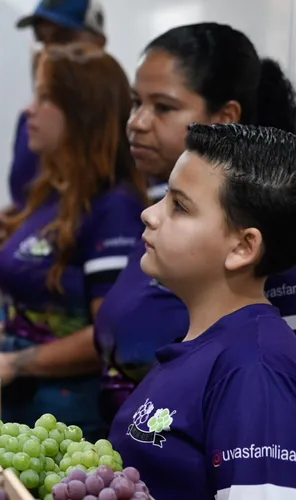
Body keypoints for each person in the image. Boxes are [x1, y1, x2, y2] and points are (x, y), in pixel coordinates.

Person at [94, 23, 296, 425]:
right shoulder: (156, 209)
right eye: (136, 102)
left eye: (163, 107)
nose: (136, 122)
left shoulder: (266, 250)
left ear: (225, 117)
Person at [107, 123, 296, 500]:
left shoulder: (254, 369)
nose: (149, 214)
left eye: (179, 206)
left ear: (243, 247)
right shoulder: (204, 347)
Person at [0, 43, 147, 441]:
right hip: (24, 407)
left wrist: (19, 362)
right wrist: (8, 329)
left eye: (46, 98)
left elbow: (110, 335)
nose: (29, 111)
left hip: (66, 420)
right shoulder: (52, 192)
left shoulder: (113, 208)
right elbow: (45, 298)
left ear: (84, 114)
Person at [0, 0, 106, 247]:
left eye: (64, 38)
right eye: (42, 40)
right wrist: (17, 219)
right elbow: (35, 199)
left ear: (99, 43)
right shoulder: (31, 121)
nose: (49, 51)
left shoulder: (125, 124)